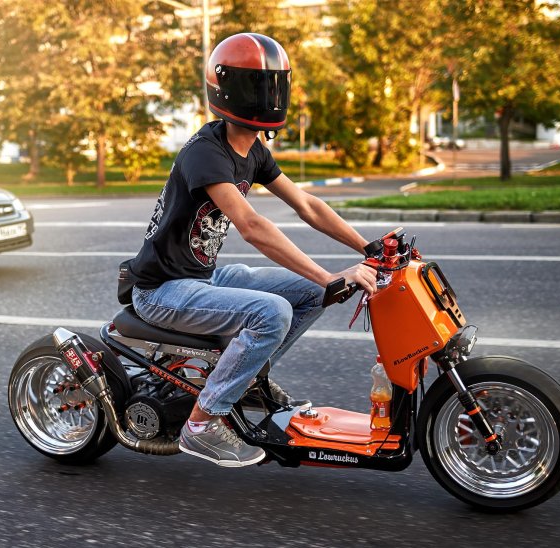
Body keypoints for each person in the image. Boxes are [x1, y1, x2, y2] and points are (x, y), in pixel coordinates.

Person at [130, 32, 377, 467]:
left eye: (273, 84)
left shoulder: (253, 150)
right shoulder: (206, 153)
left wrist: (368, 247)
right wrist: (330, 277)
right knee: (273, 312)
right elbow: (253, 227)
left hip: (201, 278)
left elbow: (307, 206)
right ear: (229, 89)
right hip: (161, 290)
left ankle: (245, 379)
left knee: (306, 291)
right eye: (257, 85)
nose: (268, 96)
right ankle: (203, 423)